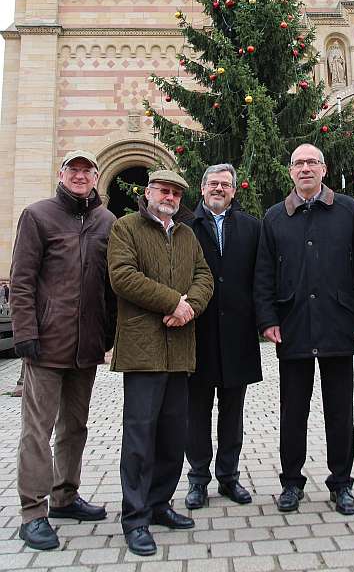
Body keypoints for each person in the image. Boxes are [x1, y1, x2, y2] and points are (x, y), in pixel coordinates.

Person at [254, 144, 354, 515]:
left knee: (340, 411)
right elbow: (263, 275)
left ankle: (342, 484)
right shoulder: (274, 217)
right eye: (298, 163)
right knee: (293, 412)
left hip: (338, 323)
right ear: (290, 172)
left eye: (312, 162)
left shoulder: (348, 209)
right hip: (293, 326)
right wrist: (268, 319)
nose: (305, 168)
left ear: (324, 168)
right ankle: (291, 483)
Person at [10, 151, 116, 551]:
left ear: (95, 177)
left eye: (87, 170)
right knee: (37, 431)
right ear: (62, 173)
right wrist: (25, 334)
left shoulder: (107, 222)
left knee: (74, 428)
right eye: (73, 169)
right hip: (45, 343)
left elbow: (109, 287)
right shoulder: (38, 216)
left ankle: (65, 496)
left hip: (86, 346)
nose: (80, 175)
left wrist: (106, 333)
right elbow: (21, 280)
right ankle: (32, 512)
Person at [107, 169, 214, 557]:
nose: (168, 196)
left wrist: (190, 308)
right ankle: (135, 517)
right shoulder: (126, 228)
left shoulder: (186, 234)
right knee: (139, 438)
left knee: (173, 435)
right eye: (162, 189)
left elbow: (204, 276)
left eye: (174, 192)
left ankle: (160, 503)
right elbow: (122, 276)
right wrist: (173, 302)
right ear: (148, 192)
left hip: (180, 348)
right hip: (143, 350)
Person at [184, 164, 262, 510]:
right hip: (197, 335)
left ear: (234, 191)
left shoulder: (250, 228)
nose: (219, 189)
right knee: (196, 412)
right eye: (213, 184)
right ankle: (198, 479)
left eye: (225, 185)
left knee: (233, 412)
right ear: (202, 189)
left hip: (237, 334)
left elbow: (261, 279)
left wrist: (264, 321)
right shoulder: (185, 227)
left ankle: (228, 476)